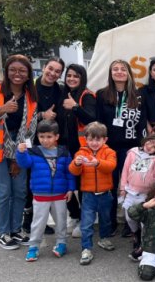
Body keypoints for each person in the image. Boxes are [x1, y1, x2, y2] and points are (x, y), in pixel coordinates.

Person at [0, 54, 38, 249]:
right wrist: (0, 110)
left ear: (28, 74)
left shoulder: (30, 97)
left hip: (18, 150)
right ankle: (3, 233)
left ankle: (15, 230)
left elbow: (30, 130)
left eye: (22, 70)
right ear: (6, 71)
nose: (17, 74)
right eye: (13, 70)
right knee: (2, 192)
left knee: (19, 191)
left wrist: (17, 158)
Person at [96, 59, 146, 234]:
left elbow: (142, 122)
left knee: (131, 186)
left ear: (128, 73)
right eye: (115, 69)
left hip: (131, 147)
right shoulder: (102, 94)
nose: (119, 72)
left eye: (122, 69)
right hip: (109, 148)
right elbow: (99, 121)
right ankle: (109, 222)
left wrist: (142, 146)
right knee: (110, 185)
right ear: (110, 73)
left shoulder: (138, 95)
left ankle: (129, 221)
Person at [16, 120, 76, 261]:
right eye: (42, 136)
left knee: (61, 221)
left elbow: (70, 173)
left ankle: (61, 243)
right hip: (40, 195)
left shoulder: (64, 152)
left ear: (57, 136)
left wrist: (71, 189)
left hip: (60, 194)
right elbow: (24, 164)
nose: (45, 140)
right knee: (38, 222)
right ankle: (33, 246)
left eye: (49, 137)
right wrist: (21, 152)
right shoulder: (33, 152)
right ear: (38, 137)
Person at [23, 57, 65, 235]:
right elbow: (22, 115)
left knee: (47, 179)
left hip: (50, 141)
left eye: (57, 71)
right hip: (30, 140)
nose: (53, 73)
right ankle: (27, 222)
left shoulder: (59, 89)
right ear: (44, 67)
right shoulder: (29, 87)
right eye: (50, 69)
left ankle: (41, 222)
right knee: (29, 182)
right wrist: (42, 115)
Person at [68, 122, 118, 265]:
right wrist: (76, 164)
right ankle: (86, 248)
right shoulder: (81, 152)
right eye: (91, 139)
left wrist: (97, 163)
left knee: (106, 219)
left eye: (98, 139)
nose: (94, 143)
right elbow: (74, 171)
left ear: (105, 140)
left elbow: (111, 166)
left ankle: (104, 238)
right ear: (86, 139)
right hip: (88, 195)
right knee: (86, 224)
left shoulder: (110, 152)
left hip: (105, 194)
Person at [60, 63, 97, 238]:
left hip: (81, 148)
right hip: (63, 148)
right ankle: (74, 215)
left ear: (82, 78)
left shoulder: (87, 95)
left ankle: (84, 219)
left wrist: (75, 106)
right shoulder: (62, 94)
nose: (72, 79)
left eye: (76, 76)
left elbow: (92, 118)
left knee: (83, 186)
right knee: (65, 183)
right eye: (69, 75)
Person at [120, 133, 155, 260]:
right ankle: (135, 234)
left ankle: (143, 244)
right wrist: (122, 188)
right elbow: (125, 170)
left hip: (145, 195)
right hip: (130, 191)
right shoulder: (133, 152)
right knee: (129, 216)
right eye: (150, 142)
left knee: (144, 220)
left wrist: (154, 194)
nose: (150, 147)